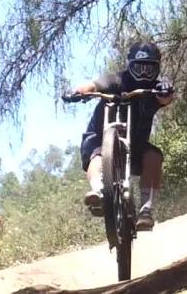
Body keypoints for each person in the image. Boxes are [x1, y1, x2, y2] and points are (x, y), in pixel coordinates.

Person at [68, 41, 175, 230]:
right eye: (139, 68)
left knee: (154, 156)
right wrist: (79, 91)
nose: (143, 74)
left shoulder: (155, 89)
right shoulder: (118, 80)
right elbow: (94, 85)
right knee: (97, 154)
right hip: (100, 137)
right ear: (130, 65)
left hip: (136, 146)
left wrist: (166, 93)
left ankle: (146, 210)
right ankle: (98, 191)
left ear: (156, 69)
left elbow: (165, 98)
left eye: (149, 70)